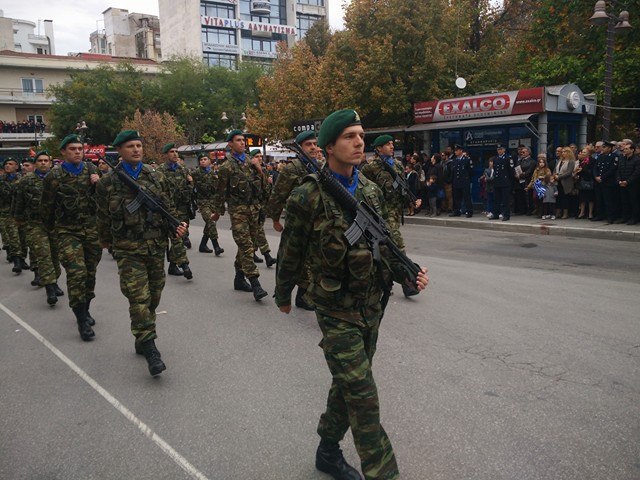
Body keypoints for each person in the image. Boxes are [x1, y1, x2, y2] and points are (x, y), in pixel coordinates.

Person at [274, 109, 429, 480]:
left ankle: (327, 451)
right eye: (349, 136)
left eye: (361, 135)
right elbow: (290, 250)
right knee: (363, 397)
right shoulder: (308, 194)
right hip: (334, 309)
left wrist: (409, 275)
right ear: (329, 146)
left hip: (373, 305)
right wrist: (283, 293)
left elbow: (385, 245)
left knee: (348, 385)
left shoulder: (371, 190)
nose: (359, 142)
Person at [96, 130, 188, 376]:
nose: (136, 149)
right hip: (128, 250)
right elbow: (102, 216)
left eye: (139, 145)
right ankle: (150, 347)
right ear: (120, 151)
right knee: (138, 298)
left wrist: (176, 226)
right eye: (130, 146)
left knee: (154, 297)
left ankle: (142, 334)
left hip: (156, 246)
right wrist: (105, 241)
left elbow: (166, 206)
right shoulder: (108, 182)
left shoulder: (155, 175)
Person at [41, 134, 102, 341]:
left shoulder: (92, 170)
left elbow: (104, 201)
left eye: (80, 148)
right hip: (67, 231)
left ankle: (85, 308)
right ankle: (81, 320)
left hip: (91, 230)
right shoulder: (54, 177)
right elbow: (47, 207)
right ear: (63, 153)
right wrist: (51, 232)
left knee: (90, 273)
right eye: (73, 149)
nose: (77, 152)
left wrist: (98, 184)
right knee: (77, 274)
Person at [264, 130, 319, 311]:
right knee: (295, 258)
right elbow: (277, 196)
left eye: (314, 144)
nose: (313, 147)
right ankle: (287, 293)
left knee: (313, 259)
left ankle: (304, 295)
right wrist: (275, 219)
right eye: (308, 145)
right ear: (300, 148)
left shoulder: (321, 166)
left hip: (317, 222)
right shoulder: (291, 169)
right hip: (297, 222)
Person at [361, 134, 422, 297]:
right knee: (397, 247)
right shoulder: (371, 167)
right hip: (380, 212)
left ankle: (387, 280)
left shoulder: (397, 165)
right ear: (379, 148)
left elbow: (403, 187)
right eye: (388, 144)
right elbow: (364, 189)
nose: (392, 146)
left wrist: (411, 200)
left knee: (388, 248)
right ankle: (408, 282)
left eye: (392, 144)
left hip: (395, 212)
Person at [212, 130, 269, 301]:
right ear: (230, 144)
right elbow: (220, 192)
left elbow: (265, 187)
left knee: (249, 246)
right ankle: (255, 283)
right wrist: (217, 211)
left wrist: (259, 170)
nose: (242, 143)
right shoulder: (226, 167)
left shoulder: (251, 163)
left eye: (243, 140)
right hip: (238, 212)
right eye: (238, 140)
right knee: (246, 246)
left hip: (254, 210)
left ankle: (239, 278)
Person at [11, 151, 63, 304]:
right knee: (43, 255)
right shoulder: (25, 181)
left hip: (54, 224)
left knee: (55, 256)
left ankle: (54, 281)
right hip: (34, 225)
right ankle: (50, 289)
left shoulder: (58, 180)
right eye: (40, 160)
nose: (43, 163)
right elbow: (18, 202)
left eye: (46, 160)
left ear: (50, 163)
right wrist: (18, 219)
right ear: (35, 164)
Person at [157, 143, 193, 279]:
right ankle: (184, 265)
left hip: (182, 208)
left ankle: (172, 265)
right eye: (172, 151)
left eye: (176, 151)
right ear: (166, 154)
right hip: (168, 209)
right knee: (177, 237)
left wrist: (190, 183)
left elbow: (188, 189)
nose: (175, 154)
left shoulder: (182, 169)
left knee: (180, 236)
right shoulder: (160, 171)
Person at [248, 149, 277, 267]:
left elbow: (266, 190)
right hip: (251, 206)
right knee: (259, 230)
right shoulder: (248, 171)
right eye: (256, 156)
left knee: (255, 232)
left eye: (260, 156)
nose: (259, 158)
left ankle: (252, 253)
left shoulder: (264, 171)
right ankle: (267, 255)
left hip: (262, 205)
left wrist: (268, 182)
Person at [191, 153, 224, 255]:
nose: (203, 161)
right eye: (201, 160)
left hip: (213, 201)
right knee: (210, 221)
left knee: (210, 223)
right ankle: (216, 246)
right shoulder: (196, 173)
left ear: (209, 161)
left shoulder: (213, 173)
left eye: (205, 159)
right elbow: (188, 179)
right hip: (202, 201)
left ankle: (202, 245)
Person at [0, 157, 28, 273]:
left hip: (21, 213)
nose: (7, 165)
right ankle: (16, 261)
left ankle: (22, 259)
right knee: (13, 236)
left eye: (11, 164)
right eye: (6, 163)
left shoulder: (23, 179)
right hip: (6, 212)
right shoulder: (1, 180)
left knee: (23, 238)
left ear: (16, 167)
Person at [592, 141, 619, 223]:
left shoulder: (614, 157)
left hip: (608, 182)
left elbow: (612, 169)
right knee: (599, 199)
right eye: (602, 147)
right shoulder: (600, 156)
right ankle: (600, 215)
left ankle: (610, 217)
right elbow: (595, 168)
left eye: (604, 147)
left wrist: (602, 177)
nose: (602, 149)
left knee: (609, 200)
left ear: (609, 148)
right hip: (599, 182)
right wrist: (596, 176)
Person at [617, 141, 640, 225]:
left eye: (626, 149)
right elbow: (618, 170)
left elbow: (637, 173)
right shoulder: (622, 158)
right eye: (624, 149)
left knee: (633, 201)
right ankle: (625, 217)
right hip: (622, 183)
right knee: (624, 201)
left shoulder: (637, 159)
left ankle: (634, 218)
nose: (624, 150)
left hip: (632, 185)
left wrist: (627, 181)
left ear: (632, 150)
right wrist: (619, 180)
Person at [489, 144, 514, 221]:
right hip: (497, 182)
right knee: (496, 199)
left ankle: (506, 215)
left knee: (505, 200)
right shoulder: (495, 158)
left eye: (501, 149)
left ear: (504, 150)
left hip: (505, 182)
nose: (499, 151)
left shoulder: (508, 158)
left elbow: (511, 171)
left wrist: (510, 182)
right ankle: (496, 214)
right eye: (498, 149)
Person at [448, 145, 473, 218]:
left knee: (466, 197)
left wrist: (467, 179)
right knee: (456, 197)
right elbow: (453, 171)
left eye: (457, 150)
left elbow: (470, 171)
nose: (455, 152)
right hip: (456, 181)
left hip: (464, 181)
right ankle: (456, 211)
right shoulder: (454, 160)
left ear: (461, 151)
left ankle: (469, 211)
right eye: (455, 150)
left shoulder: (467, 159)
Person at [553, 147, 576, 219]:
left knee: (564, 197)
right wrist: (554, 175)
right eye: (562, 152)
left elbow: (569, 172)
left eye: (564, 152)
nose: (563, 153)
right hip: (557, 182)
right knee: (558, 197)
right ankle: (558, 212)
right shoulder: (560, 160)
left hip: (566, 182)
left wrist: (559, 177)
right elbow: (555, 169)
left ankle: (565, 213)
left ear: (568, 153)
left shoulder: (571, 161)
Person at [575, 148, 595, 219]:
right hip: (581, 181)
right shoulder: (582, 161)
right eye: (582, 152)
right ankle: (582, 212)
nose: (583, 153)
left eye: (584, 152)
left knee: (590, 198)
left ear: (589, 153)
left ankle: (590, 213)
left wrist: (582, 170)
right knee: (582, 198)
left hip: (589, 181)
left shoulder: (592, 161)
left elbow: (592, 171)